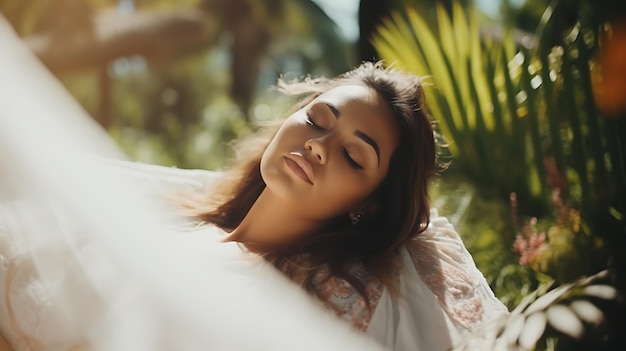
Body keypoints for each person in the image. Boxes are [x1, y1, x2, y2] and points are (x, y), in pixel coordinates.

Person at [0, 14, 507, 350]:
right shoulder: (174, 216)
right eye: (318, 120)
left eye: (353, 156)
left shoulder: (302, 303)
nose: (318, 146)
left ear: (368, 206)